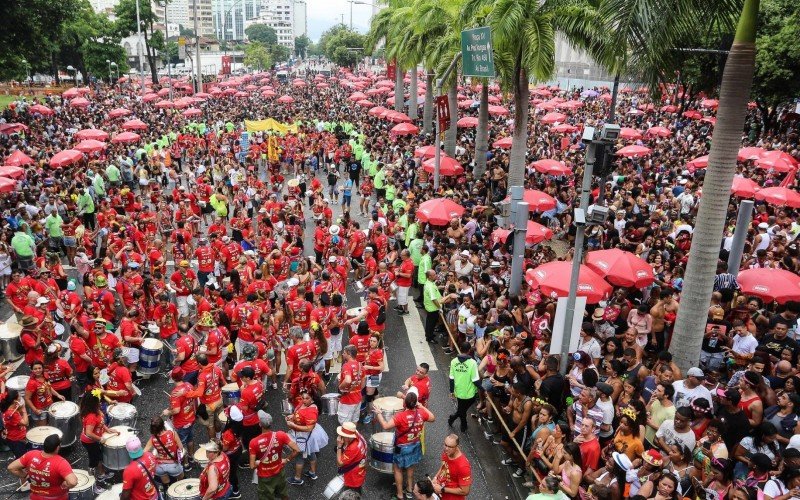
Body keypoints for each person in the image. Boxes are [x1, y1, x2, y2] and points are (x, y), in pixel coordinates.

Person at [375, 392, 436, 499]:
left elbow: (385, 426)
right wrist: (421, 406)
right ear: (415, 403)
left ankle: (399, 494)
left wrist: (379, 413)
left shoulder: (400, 416)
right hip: (415, 444)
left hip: (402, 447)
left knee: (398, 469)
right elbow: (432, 418)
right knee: (410, 468)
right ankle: (409, 490)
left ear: (404, 403)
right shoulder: (421, 413)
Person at [7, 433, 78, 500]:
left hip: (36, 497)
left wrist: (26, 476)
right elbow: (73, 482)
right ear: (57, 448)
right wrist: (65, 484)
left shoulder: (30, 454)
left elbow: (11, 468)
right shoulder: (61, 462)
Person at [249, 411, 300, 500]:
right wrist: (287, 459)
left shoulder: (253, 442)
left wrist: (258, 463)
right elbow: (297, 450)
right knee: (284, 494)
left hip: (265, 477)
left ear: (260, 424)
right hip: (279, 472)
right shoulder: (281, 435)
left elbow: (252, 466)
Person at [285, 389, 329, 485]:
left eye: (307, 398)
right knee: (311, 452)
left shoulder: (311, 411)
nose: (304, 400)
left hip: (304, 437)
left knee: (299, 456)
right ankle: (312, 473)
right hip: (304, 435)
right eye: (303, 398)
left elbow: (309, 428)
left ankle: (297, 479)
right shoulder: (304, 404)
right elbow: (298, 413)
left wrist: (293, 425)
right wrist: (292, 416)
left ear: (312, 399)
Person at [79, 388, 118, 488]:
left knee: (99, 456)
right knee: (95, 459)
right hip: (89, 442)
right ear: (93, 403)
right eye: (98, 399)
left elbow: (101, 422)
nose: (100, 401)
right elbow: (88, 433)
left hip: (95, 439)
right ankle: (97, 477)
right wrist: (100, 439)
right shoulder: (91, 416)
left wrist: (107, 429)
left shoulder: (96, 409)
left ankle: (102, 472)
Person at [143, 416, 184, 490]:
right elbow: (181, 448)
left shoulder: (152, 438)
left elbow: (144, 452)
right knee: (181, 481)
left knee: (166, 484)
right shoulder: (172, 434)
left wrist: (153, 456)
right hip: (174, 466)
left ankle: (167, 493)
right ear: (163, 425)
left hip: (159, 467)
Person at [448, 341, 480, 432]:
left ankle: (454, 418)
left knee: (462, 409)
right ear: (469, 350)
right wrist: (482, 389)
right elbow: (475, 380)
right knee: (463, 409)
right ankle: (463, 424)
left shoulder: (454, 361)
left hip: (458, 391)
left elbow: (451, 378)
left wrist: (451, 391)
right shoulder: (473, 362)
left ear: (460, 349)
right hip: (470, 392)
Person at [432, 433, 472, 500]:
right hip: (441, 492)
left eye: (450, 447)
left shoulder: (463, 466)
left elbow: (465, 491)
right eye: (445, 445)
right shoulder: (447, 453)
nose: (446, 449)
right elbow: (444, 466)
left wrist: (442, 489)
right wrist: (436, 477)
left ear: (457, 447)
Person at [121, 436, 160, 500]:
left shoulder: (129, 470)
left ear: (128, 450)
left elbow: (125, 495)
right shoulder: (150, 455)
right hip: (154, 496)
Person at [335, 422, 367, 494]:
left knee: (351, 495)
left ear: (348, 437)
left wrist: (339, 447)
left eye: (342, 435)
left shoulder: (352, 448)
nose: (340, 437)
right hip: (360, 472)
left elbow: (339, 463)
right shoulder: (358, 435)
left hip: (352, 478)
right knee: (357, 492)